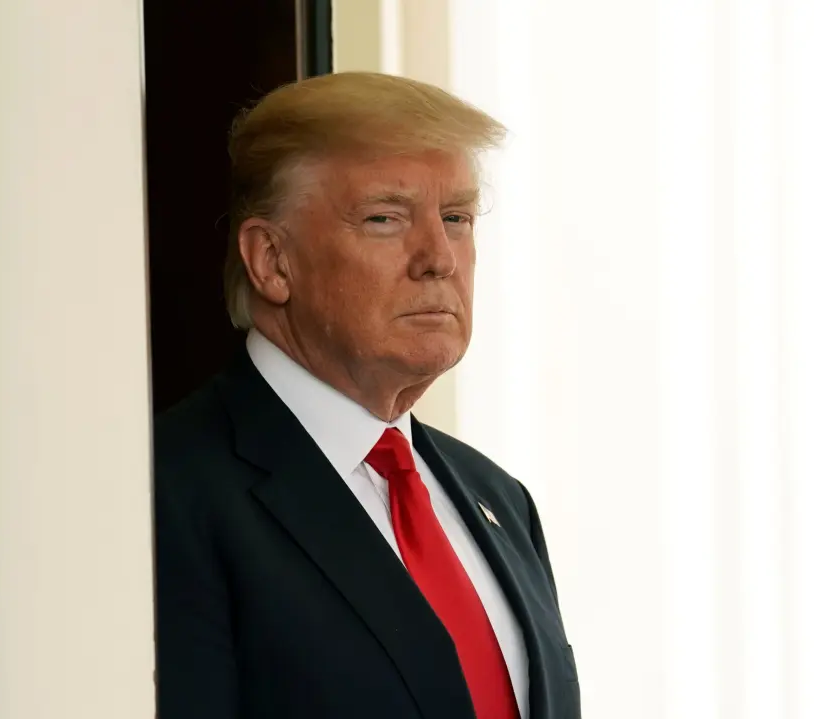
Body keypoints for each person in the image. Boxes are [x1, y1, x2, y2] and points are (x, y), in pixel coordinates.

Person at [152, 72, 579, 719]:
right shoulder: (168, 493)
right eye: (386, 218)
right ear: (272, 260)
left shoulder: (499, 498)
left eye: (456, 217)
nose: (438, 257)